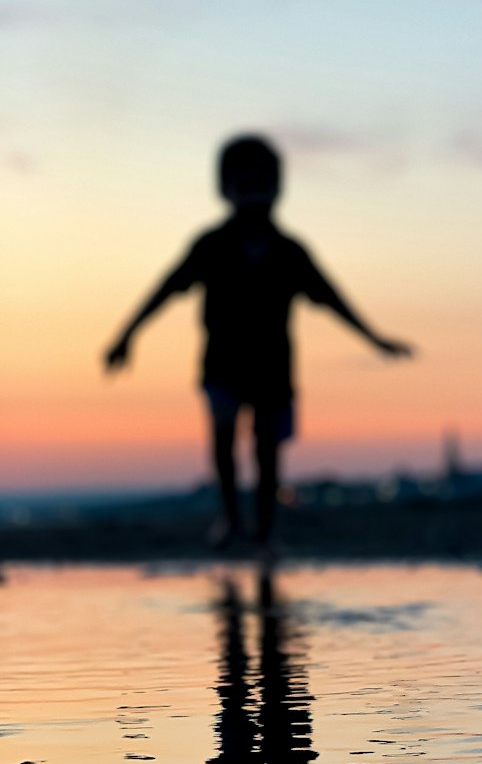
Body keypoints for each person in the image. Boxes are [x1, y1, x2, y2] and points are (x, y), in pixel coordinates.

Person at [104, 134, 413, 554]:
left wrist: (373, 338)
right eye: (243, 183)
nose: (253, 192)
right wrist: (127, 335)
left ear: (278, 187)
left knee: (269, 452)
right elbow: (164, 290)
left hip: (274, 369)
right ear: (224, 188)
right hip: (222, 367)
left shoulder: (290, 251)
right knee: (223, 441)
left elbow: (332, 297)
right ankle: (230, 521)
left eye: (262, 182)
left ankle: (266, 532)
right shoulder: (210, 246)